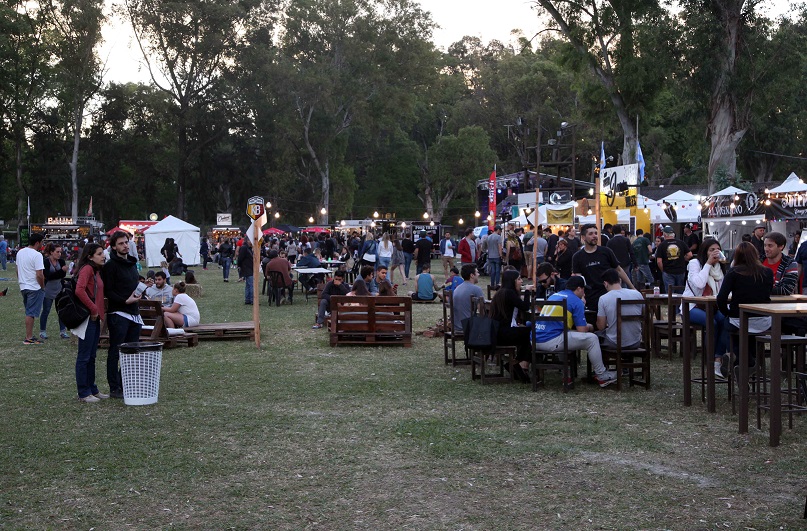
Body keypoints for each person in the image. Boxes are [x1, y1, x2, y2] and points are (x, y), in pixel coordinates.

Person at [534, 276, 618, 387]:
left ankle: (567, 375)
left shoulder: (554, 295)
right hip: (551, 341)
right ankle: (602, 376)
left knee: (565, 335)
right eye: (583, 289)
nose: (584, 293)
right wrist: (590, 326)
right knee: (592, 339)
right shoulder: (576, 301)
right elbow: (582, 331)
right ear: (578, 288)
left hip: (536, 339)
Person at [103, 230, 149, 399]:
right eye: (121, 243)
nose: (125, 246)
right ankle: (114, 387)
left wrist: (141, 289)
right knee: (116, 351)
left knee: (132, 350)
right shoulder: (110, 266)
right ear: (114, 246)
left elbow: (132, 286)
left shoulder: (132, 263)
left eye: (126, 242)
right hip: (118, 314)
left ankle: (125, 384)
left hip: (134, 314)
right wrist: (124, 301)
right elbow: (109, 291)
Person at [717, 241, 773, 370]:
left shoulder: (733, 273)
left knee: (728, 325)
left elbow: (721, 298)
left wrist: (727, 313)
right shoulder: (767, 272)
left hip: (739, 318)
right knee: (749, 332)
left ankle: (735, 357)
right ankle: (749, 362)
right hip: (763, 319)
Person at [681, 237, 730, 378]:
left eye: (717, 249)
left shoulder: (720, 267)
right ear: (704, 251)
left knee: (726, 320)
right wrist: (708, 264)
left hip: (713, 306)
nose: (715, 252)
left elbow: (723, 290)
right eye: (711, 250)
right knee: (712, 322)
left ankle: (718, 359)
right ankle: (709, 359)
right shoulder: (694, 263)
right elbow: (699, 284)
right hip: (691, 306)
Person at [74, 243, 109, 403]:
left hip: (95, 318)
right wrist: (94, 309)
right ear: (90, 256)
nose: (103, 256)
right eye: (100, 253)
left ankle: (92, 389)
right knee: (84, 356)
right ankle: (83, 392)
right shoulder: (87, 269)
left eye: (103, 253)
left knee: (92, 356)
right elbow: (79, 290)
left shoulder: (96, 270)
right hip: (88, 317)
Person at [571, 224, 634, 312]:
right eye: (591, 234)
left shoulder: (606, 252)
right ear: (583, 237)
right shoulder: (577, 257)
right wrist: (582, 297)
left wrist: (632, 287)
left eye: (596, 233)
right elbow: (579, 278)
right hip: (591, 297)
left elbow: (619, 270)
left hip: (609, 295)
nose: (594, 236)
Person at [490, 269, 535, 382]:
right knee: (530, 332)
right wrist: (528, 291)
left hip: (498, 332)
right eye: (519, 279)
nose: (521, 281)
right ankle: (518, 364)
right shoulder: (509, 293)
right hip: (503, 333)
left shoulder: (501, 292)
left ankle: (519, 364)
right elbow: (525, 307)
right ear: (512, 281)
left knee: (525, 334)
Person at [596, 268, 645, 349]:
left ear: (605, 284)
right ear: (620, 280)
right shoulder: (637, 294)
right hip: (636, 341)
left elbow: (601, 326)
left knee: (595, 338)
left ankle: (600, 362)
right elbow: (644, 315)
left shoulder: (603, 299)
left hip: (615, 342)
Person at [17, 232, 46, 345]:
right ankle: (28, 337)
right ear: (37, 243)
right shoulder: (37, 255)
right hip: (34, 287)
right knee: (31, 312)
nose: (42, 245)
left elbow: (17, 270)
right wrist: (42, 286)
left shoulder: (20, 252)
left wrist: (21, 281)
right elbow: (39, 274)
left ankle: (29, 336)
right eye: (42, 242)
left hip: (23, 286)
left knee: (29, 311)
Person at [40, 243, 69, 340]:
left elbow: (62, 276)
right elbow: (48, 276)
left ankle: (63, 331)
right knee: (46, 311)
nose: (59, 254)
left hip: (59, 289)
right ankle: (42, 331)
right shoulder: (46, 262)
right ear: (51, 252)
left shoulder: (61, 261)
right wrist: (61, 271)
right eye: (57, 252)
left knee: (61, 311)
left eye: (60, 252)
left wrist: (61, 272)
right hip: (48, 290)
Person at [655, 225, 692, 293]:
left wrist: (663, 270)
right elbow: (690, 254)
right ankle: (680, 303)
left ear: (664, 235)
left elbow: (659, 261)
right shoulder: (681, 242)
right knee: (680, 291)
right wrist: (682, 259)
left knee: (670, 292)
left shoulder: (662, 245)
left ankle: (671, 303)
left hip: (668, 271)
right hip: (680, 270)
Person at [762, 231, 798, 295]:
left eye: (770, 246)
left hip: (780, 303)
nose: (766, 249)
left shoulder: (790, 263)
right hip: (757, 303)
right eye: (765, 245)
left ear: (781, 246)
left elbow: (786, 290)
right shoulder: (758, 262)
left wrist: (758, 289)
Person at [451, 264, 484, 333]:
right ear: (472, 275)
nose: (479, 274)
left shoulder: (458, 288)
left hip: (456, 326)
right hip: (468, 327)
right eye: (477, 272)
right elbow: (482, 312)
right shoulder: (476, 289)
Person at [238, 238, 254, 305]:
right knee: (250, 284)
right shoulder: (244, 248)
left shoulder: (249, 248)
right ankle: (252, 299)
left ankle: (248, 299)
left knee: (248, 284)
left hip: (248, 267)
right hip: (247, 267)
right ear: (248, 241)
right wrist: (239, 265)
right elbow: (240, 257)